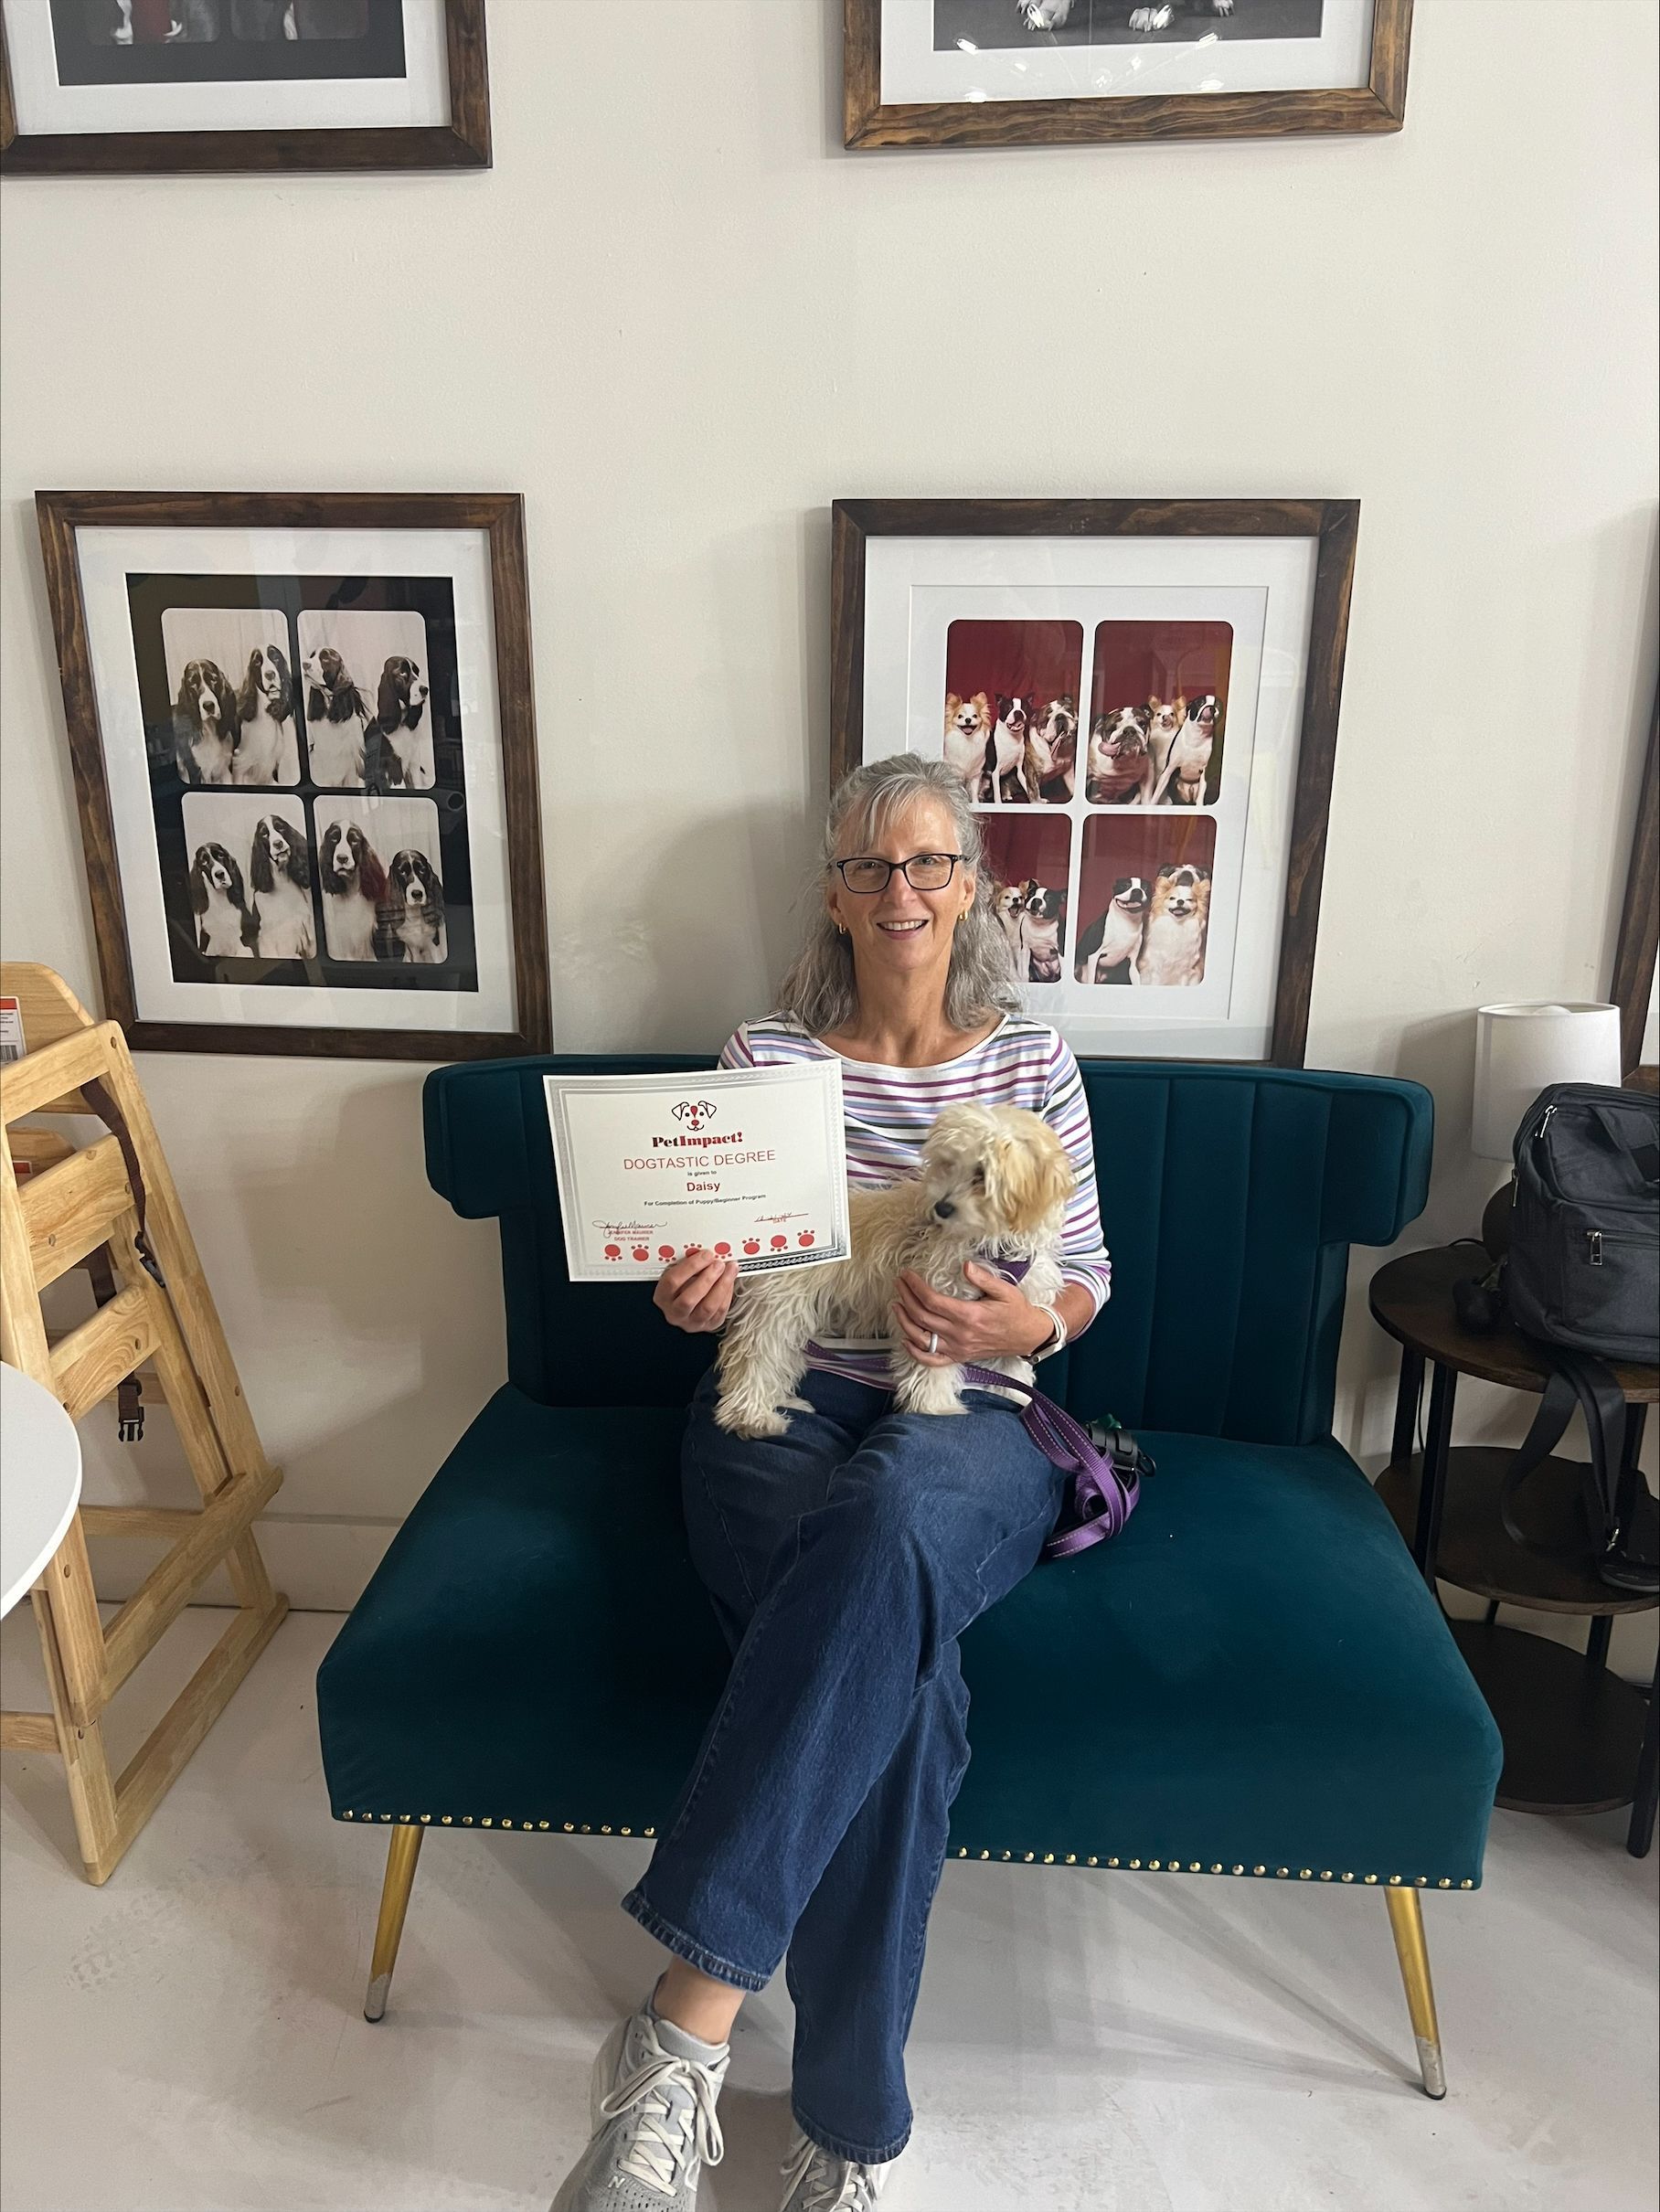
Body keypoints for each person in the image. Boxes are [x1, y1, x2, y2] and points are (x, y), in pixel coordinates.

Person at [551, 756, 1112, 2212]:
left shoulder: (1033, 1062)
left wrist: (1025, 1322)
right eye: (870, 867)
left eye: (929, 863)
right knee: (903, 1688)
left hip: (968, 1416)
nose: (901, 893)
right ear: (834, 893)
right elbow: (724, 1255)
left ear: (971, 882)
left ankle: (678, 2038)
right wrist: (695, 1288)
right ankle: (848, 2139)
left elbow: (1089, 1279)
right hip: (782, 1402)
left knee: (894, 1526)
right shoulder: (766, 1059)